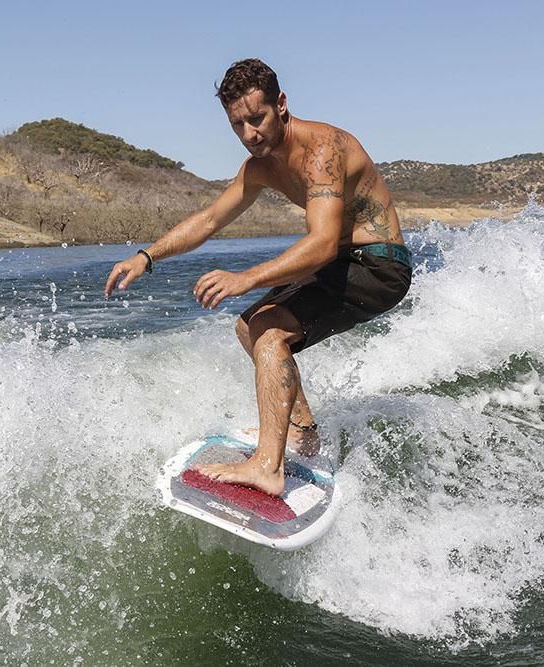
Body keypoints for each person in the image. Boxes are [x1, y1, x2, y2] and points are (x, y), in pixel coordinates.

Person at [103, 58, 411, 496]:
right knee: (249, 325)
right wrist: (146, 256)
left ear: (281, 104)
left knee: (269, 332)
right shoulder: (261, 167)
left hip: (380, 264)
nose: (250, 134)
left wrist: (246, 277)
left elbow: (322, 243)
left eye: (257, 118)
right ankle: (302, 431)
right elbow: (210, 219)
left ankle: (268, 465)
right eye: (238, 125)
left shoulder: (323, 150)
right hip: (340, 263)